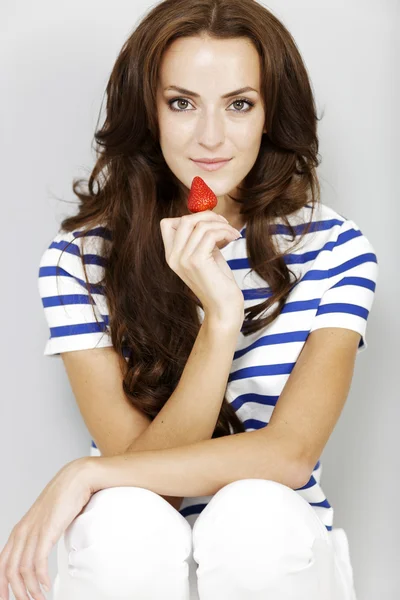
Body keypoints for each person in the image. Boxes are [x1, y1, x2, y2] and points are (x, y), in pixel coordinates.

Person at [0, 1, 378, 599]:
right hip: (127, 560)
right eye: (182, 103)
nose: (210, 136)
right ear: (148, 113)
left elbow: (289, 456)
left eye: (238, 104)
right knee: (127, 522)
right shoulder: (78, 259)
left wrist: (86, 472)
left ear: (269, 115)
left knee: (254, 514)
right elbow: (147, 486)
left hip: (279, 557)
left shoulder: (333, 249)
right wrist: (220, 323)